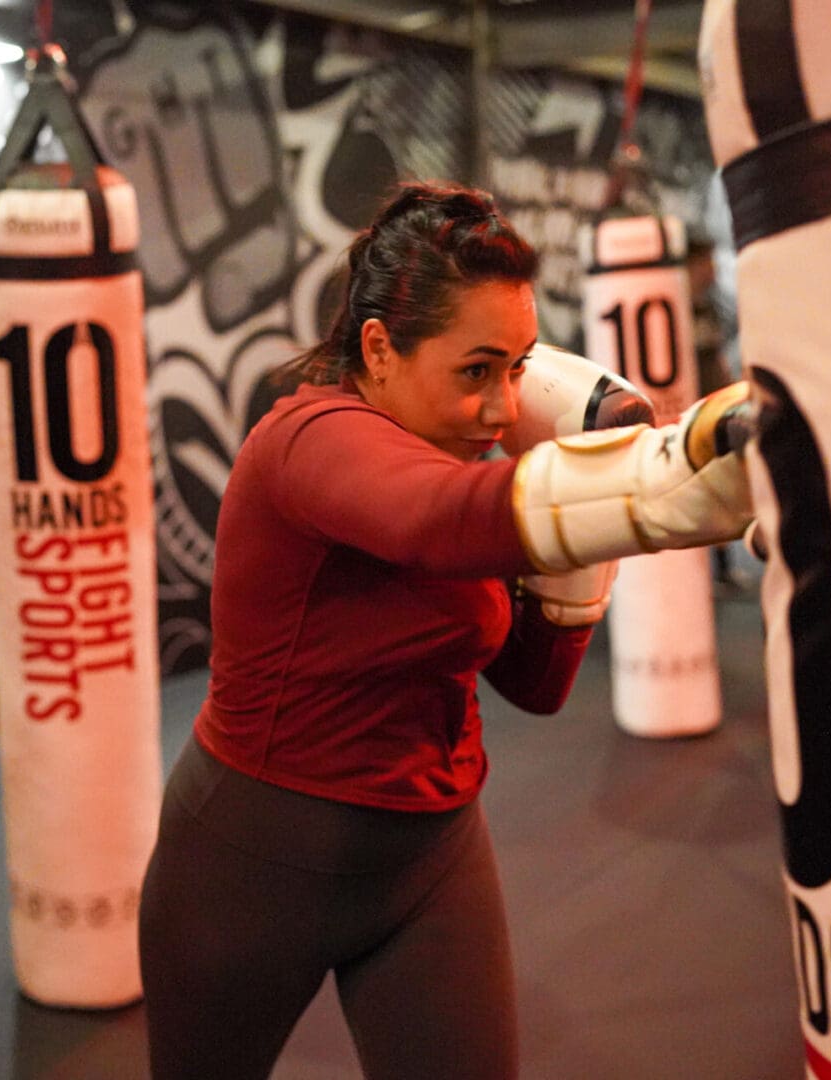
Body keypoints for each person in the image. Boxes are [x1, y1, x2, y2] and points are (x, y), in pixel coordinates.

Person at [138, 181, 752, 1080]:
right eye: (475, 372)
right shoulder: (308, 439)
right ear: (380, 349)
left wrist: (575, 529)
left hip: (430, 857)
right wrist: (653, 480)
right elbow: (430, 520)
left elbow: (534, 687)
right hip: (254, 863)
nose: (504, 406)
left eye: (516, 369)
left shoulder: (475, 462)